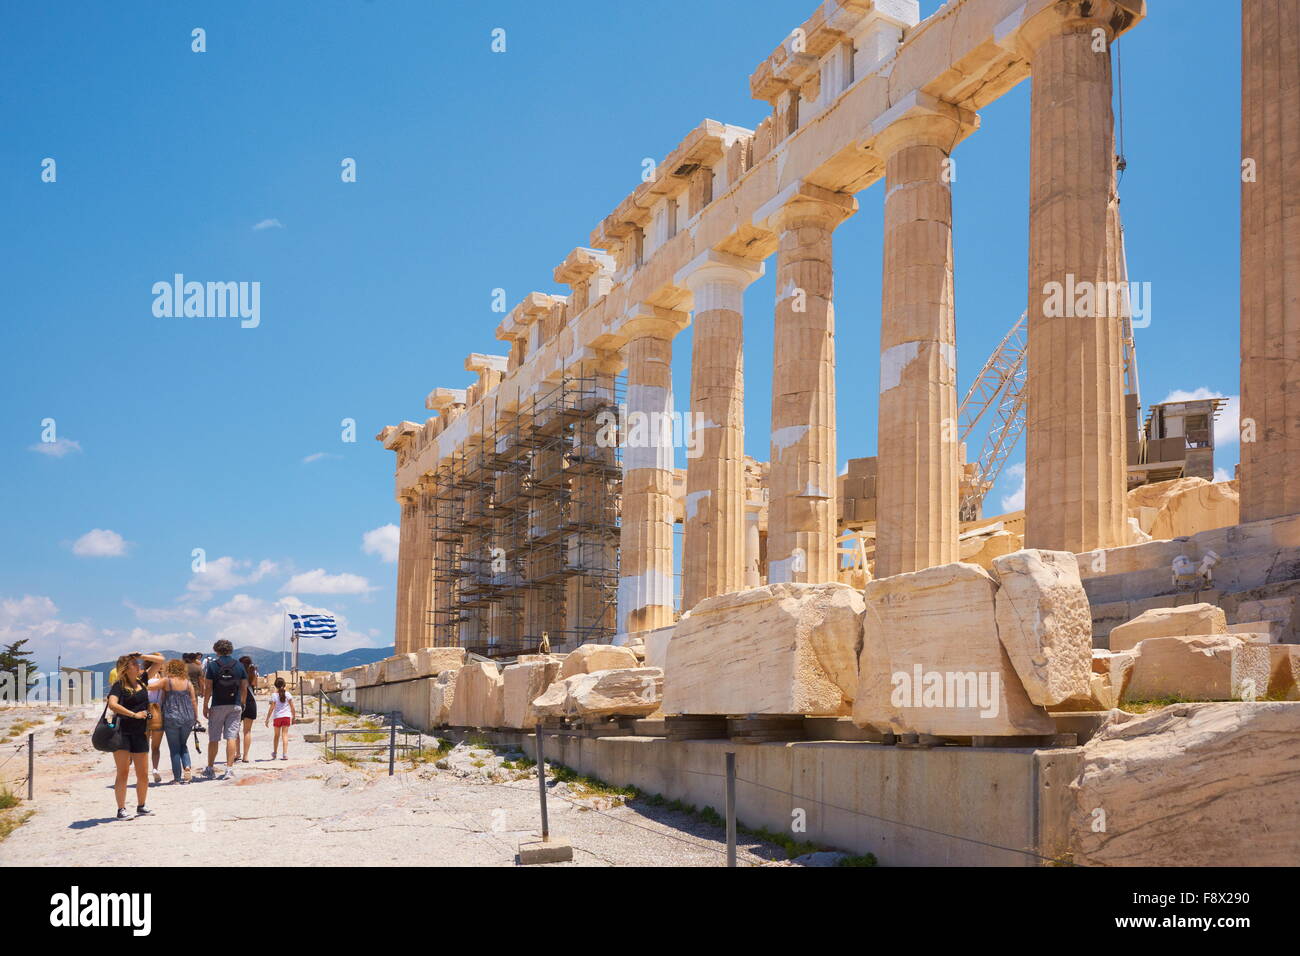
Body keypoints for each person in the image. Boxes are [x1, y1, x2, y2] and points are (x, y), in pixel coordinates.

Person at [106, 655, 153, 819]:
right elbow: (112, 704)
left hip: (140, 733)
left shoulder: (142, 681)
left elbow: (160, 662)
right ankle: (121, 809)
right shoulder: (119, 686)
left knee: (143, 773)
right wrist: (134, 714)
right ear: (126, 668)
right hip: (122, 733)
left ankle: (141, 805)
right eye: (134, 663)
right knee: (123, 772)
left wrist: (141, 655)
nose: (138, 665)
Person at [201, 639, 248, 780]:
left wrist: (205, 704)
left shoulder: (213, 666)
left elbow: (208, 687)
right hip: (234, 705)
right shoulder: (239, 665)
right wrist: (243, 702)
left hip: (217, 704)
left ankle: (210, 768)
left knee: (214, 738)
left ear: (216, 650)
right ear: (231, 650)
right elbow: (244, 686)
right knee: (231, 737)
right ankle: (229, 769)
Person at [152, 659, 198, 784]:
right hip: (188, 717)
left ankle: (177, 778)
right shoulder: (188, 683)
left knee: (174, 748)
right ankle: (187, 767)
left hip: (171, 717)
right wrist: (196, 717)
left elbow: (150, 686)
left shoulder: (167, 681)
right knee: (183, 744)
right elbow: (193, 700)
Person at [235, 656, 259, 763]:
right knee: (247, 731)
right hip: (250, 702)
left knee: (235, 730)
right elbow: (254, 685)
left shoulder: (237, 673)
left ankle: (237, 753)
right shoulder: (253, 673)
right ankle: (246, 756)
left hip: (238, 702)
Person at [265, 677, 296, 760]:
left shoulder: (274, 695)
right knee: (285, 735)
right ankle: (285, 754)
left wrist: (267, 718)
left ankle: (275, 753)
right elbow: (292, 707)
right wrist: (294, 716)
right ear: (284, 685)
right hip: (286, 716)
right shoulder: (288, 694)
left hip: (277, 717)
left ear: (275, 686)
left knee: (276, 735)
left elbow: (271, 708)